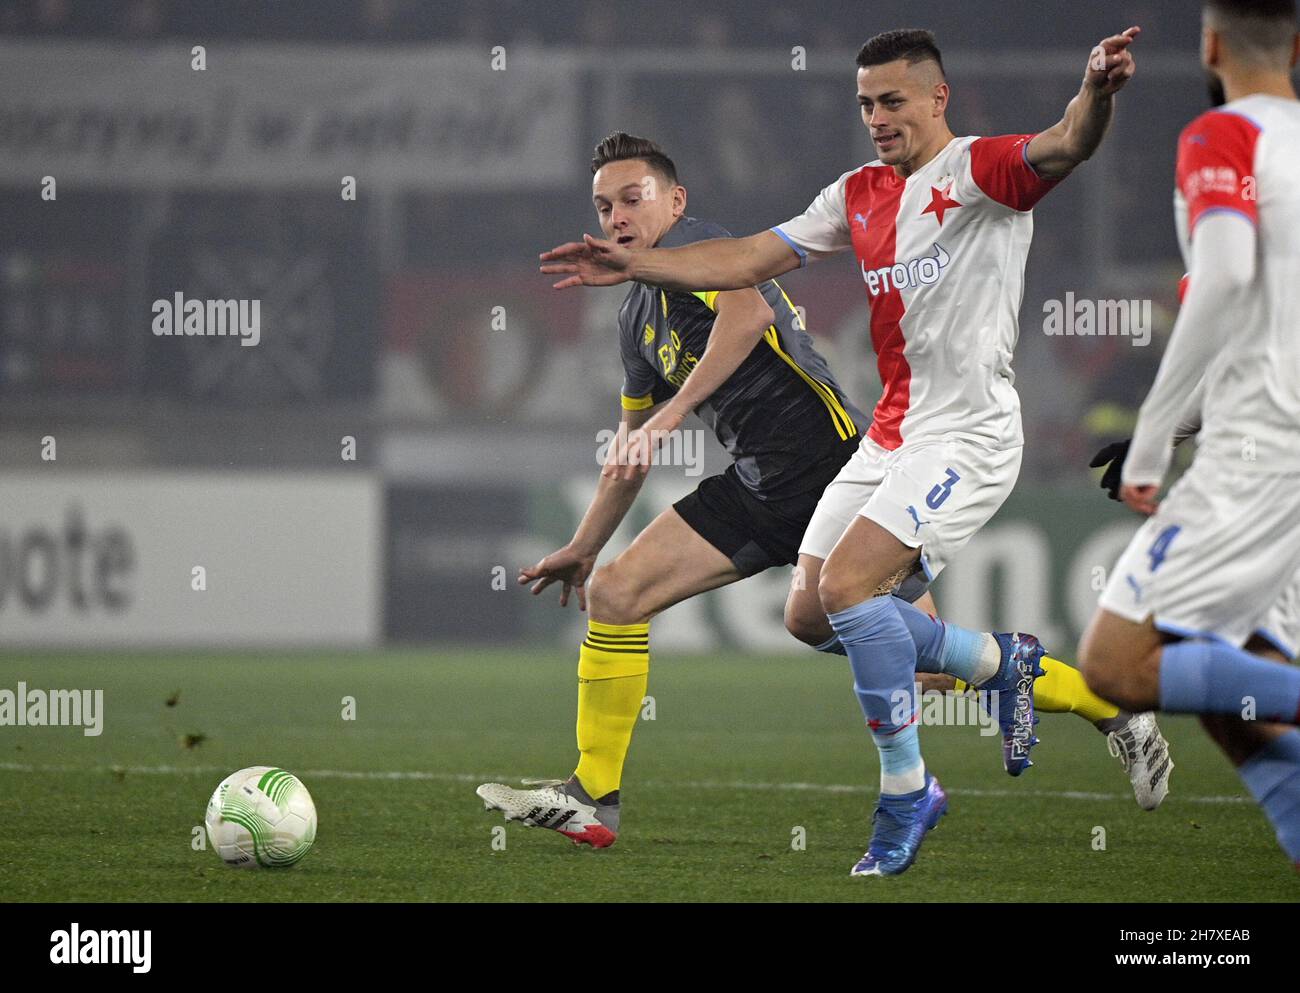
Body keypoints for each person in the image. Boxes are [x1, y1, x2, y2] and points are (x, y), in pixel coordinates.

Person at [540, 25, 1141, 875]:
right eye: (865, 103)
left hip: (955, 435)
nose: (877, 117)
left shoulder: (978, 171)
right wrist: (635, 274)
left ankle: (910, 794)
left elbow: (1067, 143)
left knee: (860, 602)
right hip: (875, 445)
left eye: (893, 100)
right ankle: (1019, 669)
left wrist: (1098, 92)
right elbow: (753, 254)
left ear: (939, 97)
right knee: (813, 617)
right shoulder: (855, 193)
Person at [1079, 0, 1300, 869]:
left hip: (1262, 457)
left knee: (1120, 662)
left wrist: (1152, 435)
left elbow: (1223, 280)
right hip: (1270, 445)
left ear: (1209, 46)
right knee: (1233, 696)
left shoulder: (1223, 137)